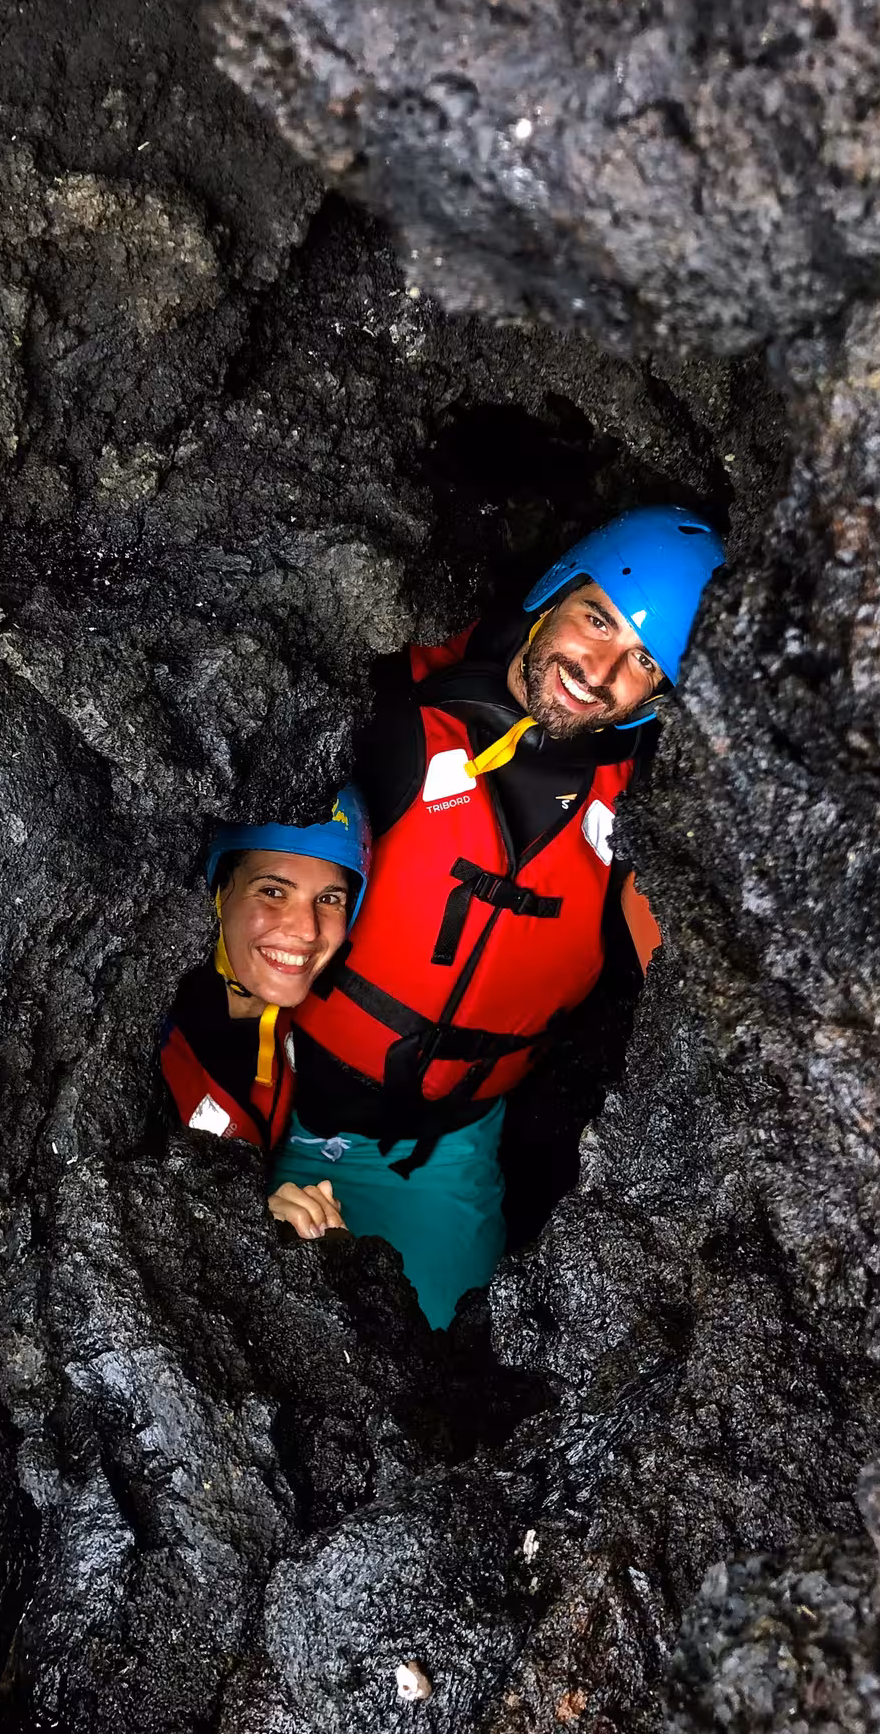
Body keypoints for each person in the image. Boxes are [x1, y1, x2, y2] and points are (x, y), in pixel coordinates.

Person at [277, 505, 725, 1327]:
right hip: (284, 1108)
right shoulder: (396, 717)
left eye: (640, 661)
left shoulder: (645, 819)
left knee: (438, 1385)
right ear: (553, 593)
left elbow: (698, 989)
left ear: (661, 695)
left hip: (448, 1154)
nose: (597, 669)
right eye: (596, 619)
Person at [159, 787, 372, 1239]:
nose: (306, 930)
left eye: (329, 899)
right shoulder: (151, 1042)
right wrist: (246, 1223)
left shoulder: (287, 1017)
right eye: (273, 891)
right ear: (219, 896)